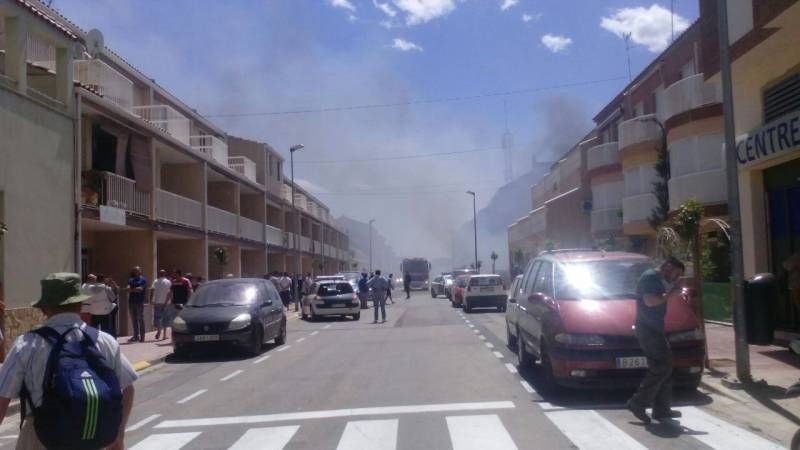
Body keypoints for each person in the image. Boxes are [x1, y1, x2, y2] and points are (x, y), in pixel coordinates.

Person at [0, 273, 137, 450]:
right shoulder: (104, 340)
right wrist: (119, 435)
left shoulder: (27, 344)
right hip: (93, 439)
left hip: (41, 437)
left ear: (44, 309)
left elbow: (2, 398)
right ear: (80, 305)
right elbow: (128, 388)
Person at [626, 257, 686, 424]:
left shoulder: (655, 278)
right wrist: (671, 294)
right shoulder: (651, 277)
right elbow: (650, 301)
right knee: (660, 367)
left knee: (665, 367)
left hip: (654, 329)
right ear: (668, 266)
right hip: (648, 330)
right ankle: (637, 403)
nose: (675, 278)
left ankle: (662, 410)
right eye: (676, 273)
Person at [150, 270, 173, 341]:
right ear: (165, 274)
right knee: (165, 318)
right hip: (166, 302)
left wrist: (151, 299)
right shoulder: (168, 282)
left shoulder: (155, 281)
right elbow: (170, 292)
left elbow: (152, 290)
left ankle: (159, 330)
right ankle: (164, 335)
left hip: (157, 302)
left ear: (159, 274)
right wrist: (170, 300)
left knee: (158, 317)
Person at [127, 266, 147, 343]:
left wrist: (132, 289)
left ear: (140, 271)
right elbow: (128, 289)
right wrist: (135, 289)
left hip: (139, 302)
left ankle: (142, 337)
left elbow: (140, 290)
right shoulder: (130, 280)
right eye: (134, 270)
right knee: (133, 320)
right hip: (131, 302)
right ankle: (135, 336)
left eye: (137, 270)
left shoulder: (143, 280)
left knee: (140, 319)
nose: (136, 272)